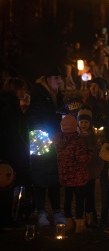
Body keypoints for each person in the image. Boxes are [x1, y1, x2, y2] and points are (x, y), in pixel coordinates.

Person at [26, 65, 67, 228]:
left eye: (61, 78)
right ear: (48, 79)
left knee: (54, 175)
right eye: (57, 78)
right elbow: (34, 119)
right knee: (40, 176)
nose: (60, 81)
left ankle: (56, 211)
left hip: (55, 139)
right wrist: (46, 136)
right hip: (40, 139)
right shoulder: (39, 95)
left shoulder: (57, 96)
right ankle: (42, 212)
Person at [0, 76, 31, 229]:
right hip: (10, 150)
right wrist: (23, 146)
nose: (24, 92)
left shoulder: (8, 103)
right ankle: (6, 219)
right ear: (15, 90)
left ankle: (8, 217)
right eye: (22, 89)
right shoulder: (10, 106)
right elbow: (15, 130)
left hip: (7, 149)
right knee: (7, 184)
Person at [54, 114, 93, 233]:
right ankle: (79, 224)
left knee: (67, 199)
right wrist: (90, 153)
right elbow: (82, 158)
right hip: (77, 176)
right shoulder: (77, 140)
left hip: (65, 175)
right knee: (79, 199)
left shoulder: (57, 139)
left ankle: (68, 222)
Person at [76, 107, 104, 229]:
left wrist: (99, 166)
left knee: (90, 196)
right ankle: (79, 220)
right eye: (81, 122)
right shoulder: (76, 137)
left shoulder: (94, 138)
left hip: (91, 171)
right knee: (79, 197)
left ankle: (90, 219)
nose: (84, 124)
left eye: (86, 122)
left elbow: (98, 154)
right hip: (79, 172)